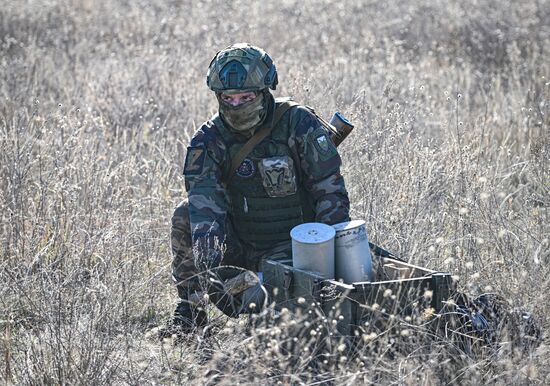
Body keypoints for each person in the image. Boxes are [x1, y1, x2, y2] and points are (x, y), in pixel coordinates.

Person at [170, 43, 350, 332]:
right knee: (186, 214)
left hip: (298, 250)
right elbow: (205, 209)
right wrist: (213, 274)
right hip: (242, 250)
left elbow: (330, 194)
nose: (237, 105)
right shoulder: (208, 140)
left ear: (265, 91)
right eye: (229, 98)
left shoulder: (297, 123)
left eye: (247, 96)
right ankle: (190, 312)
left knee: (293, 302)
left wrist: (332, 265)